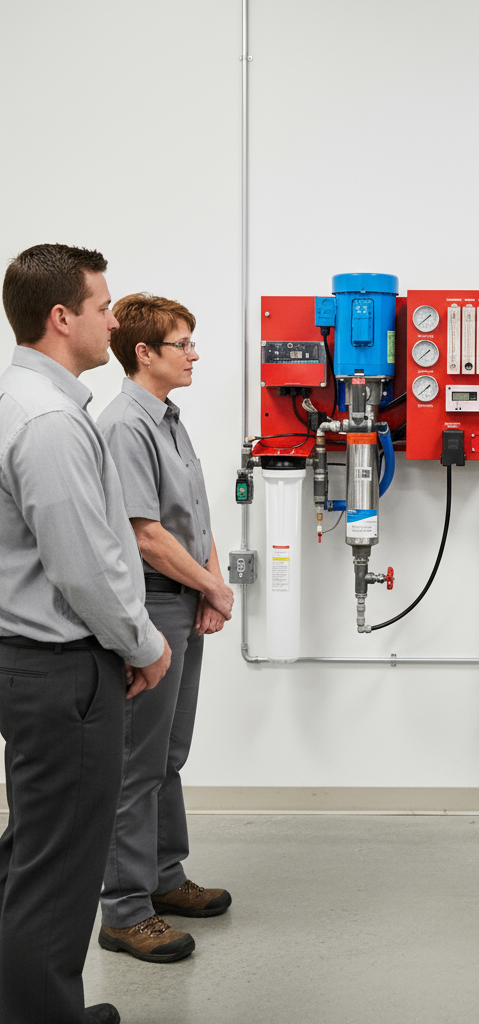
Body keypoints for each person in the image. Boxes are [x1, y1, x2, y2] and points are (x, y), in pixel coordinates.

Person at [0, 244, 171, 1024]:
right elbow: (85, 568)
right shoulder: (51, 425)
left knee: (35, 854)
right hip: (62, 667)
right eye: (102, 307)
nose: (113, 318)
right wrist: (144, 643)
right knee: (60, 869)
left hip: (34, 663)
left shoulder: (25, 400)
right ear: (61, 317)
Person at [95, 293, 235, 963]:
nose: (194, 354)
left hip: (185, 597)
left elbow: (192, 517)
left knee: (169, 754)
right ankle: (123, 911)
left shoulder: (169, 419)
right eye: (183, 343)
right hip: (153, 601)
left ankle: (163, 878)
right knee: (137, 761)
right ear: (144, 352)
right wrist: (209, 585)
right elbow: (144, 534)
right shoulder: (125, 424)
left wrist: (210, 583)